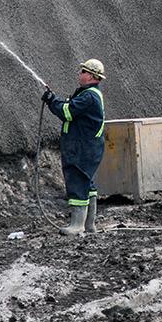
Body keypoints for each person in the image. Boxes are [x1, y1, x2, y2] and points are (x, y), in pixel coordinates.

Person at [42, 59, 107, 236]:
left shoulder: (89, 96)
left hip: (81, 148)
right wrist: (54, 99)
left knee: (78, 181)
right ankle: (89, 225)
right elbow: (71, 108)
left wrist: (51, 101)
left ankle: (77, 225)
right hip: (88, 147)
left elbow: (67, 112)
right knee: (88, 183)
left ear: (92, 76)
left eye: (83, 72)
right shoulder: (89, 94)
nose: (80, 75)